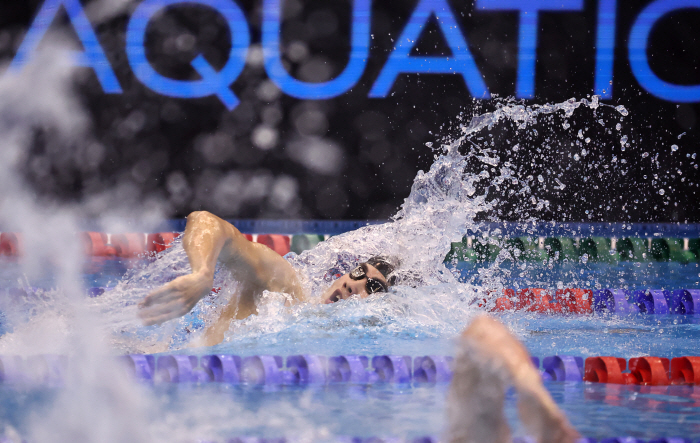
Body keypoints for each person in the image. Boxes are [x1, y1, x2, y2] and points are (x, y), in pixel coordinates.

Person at [138, 210, 579, 443]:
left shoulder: (359, 353)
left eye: (374, 288)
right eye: (360, 273)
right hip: (150, 373)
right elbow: (208, 223)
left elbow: (476, 334)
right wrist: (201, 274)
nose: (354, 287)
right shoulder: (286, 289)